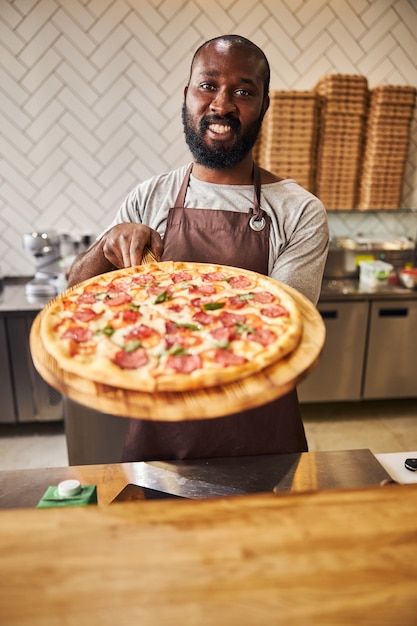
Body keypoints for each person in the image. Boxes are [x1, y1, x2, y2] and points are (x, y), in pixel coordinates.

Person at [68, 34, 329, 462]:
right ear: (186, 96)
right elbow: (75, 293)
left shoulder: (299, 210)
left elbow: (286, 334)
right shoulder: (148, 196)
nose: (222, 105)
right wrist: (107, 243)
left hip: (259, 435)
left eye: (243, 91)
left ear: (264, 106)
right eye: (208, 85)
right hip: (160, 432)